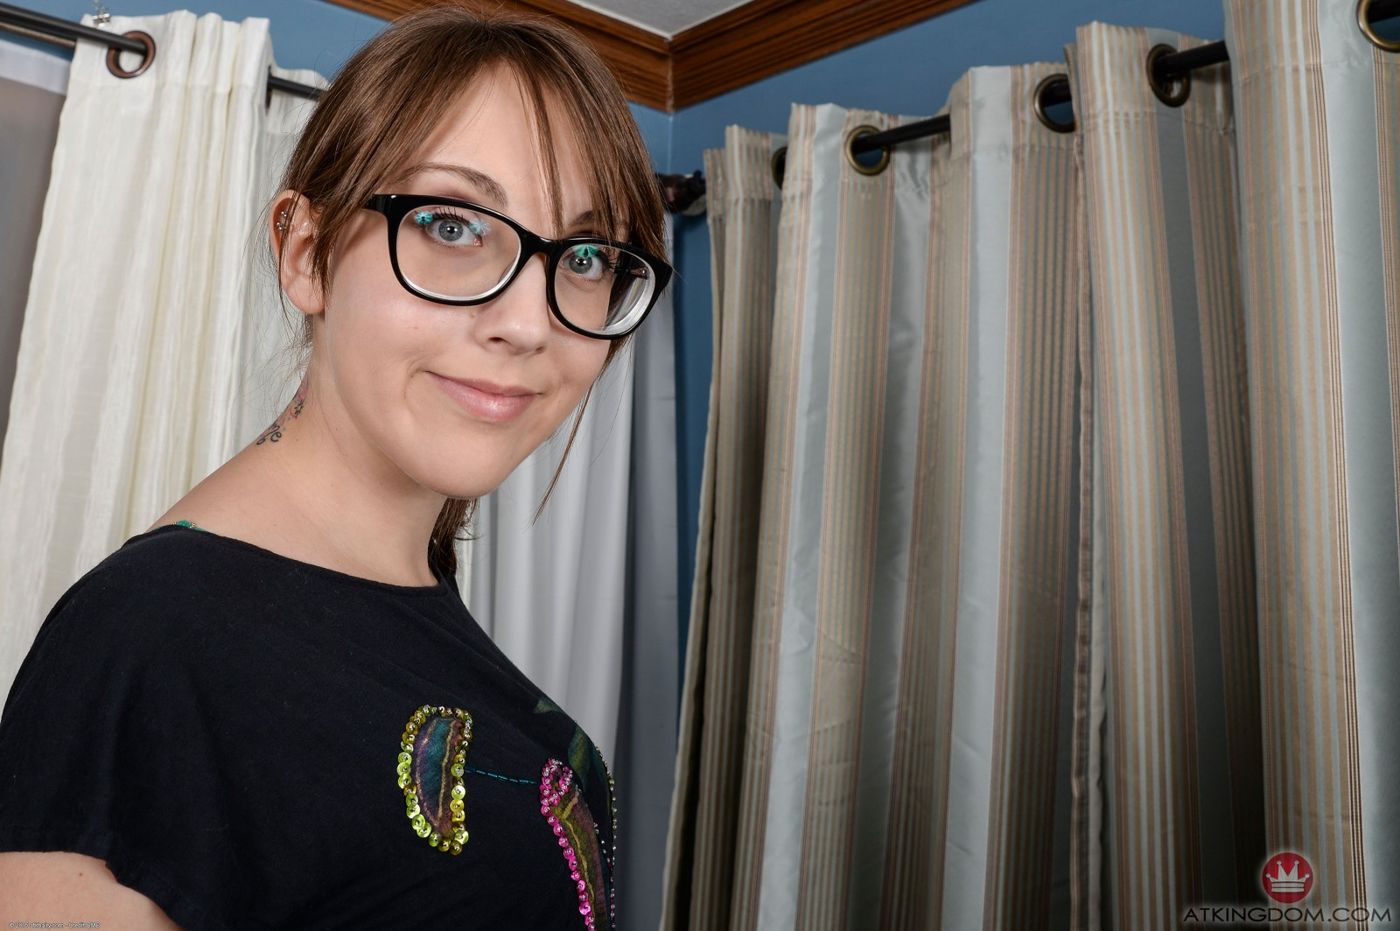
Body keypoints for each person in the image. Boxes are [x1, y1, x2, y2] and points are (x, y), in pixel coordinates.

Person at [0, 4, 670, 929]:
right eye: (452, 225)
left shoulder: (416, 606)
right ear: (306, 253)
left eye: (586, 254)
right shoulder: (150, 636)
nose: (527, 323)